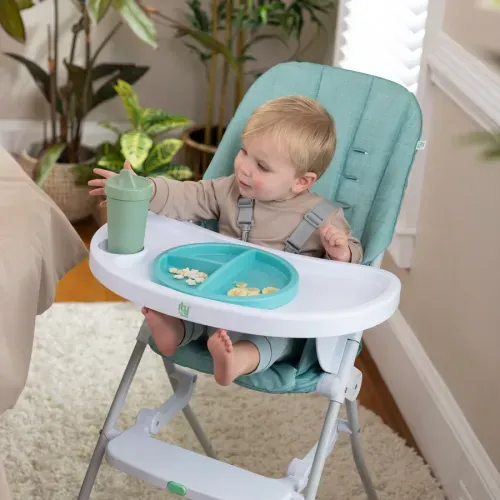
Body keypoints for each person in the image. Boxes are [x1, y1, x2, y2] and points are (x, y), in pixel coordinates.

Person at [88, 95, 363, 386]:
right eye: (244, 152)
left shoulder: (323, 217)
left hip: (273, 318)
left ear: (302, 181)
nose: (244, 167)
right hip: (216, 298)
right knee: (189, 306)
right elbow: (189, 195)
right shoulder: (230, 190)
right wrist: (146, 190)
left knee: (281, 339)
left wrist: (340, 252)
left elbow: (351, 267)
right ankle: (174, 329)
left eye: (262, 166)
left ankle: (237, 359)